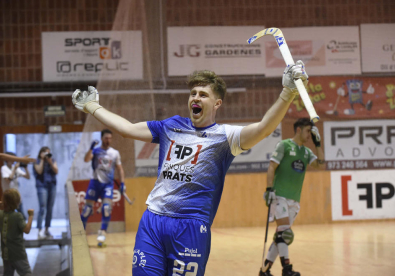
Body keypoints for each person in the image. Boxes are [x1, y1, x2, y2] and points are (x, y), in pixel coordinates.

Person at [72, 61, 309, 275]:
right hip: (153, 221)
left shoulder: (225, 137)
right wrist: (92, 107)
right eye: (193, 93)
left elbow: (263, 129)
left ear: (217, 103)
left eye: (203, 94)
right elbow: (127, 129)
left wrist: (288, 92)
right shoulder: (170, 126)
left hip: (191, 227)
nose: (195, 97)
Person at [259, 118, 325, 276]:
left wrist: (318, 145)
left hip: (294, 199)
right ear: (298, 130)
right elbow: (271, 166)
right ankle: (287, 269)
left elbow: (321, 165)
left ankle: (265, 270)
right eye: (308, 131)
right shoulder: (284, 145)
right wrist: (269, 189)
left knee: (281, 236)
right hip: (279, 195)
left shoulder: (306, 152)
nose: (310, 134)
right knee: (284, 233)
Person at [81, 129, 125, 247]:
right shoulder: (96, 151)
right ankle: (80, 235)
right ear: (101, 138)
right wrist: (91, 148)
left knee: (106, 208)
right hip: (95, 182)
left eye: (110, 138)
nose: (108, 140)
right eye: (106, 138)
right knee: (86, 211)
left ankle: (102, 233)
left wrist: (122, 183)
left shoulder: (115, 153)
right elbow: (86, 159)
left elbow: (120, 169)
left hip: (107, 185)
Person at [0, 189, 34, 276]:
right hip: (18, 254)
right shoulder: (17, 216)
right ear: (16, 202)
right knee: (26, 273)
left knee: (8, 273)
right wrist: (31, 216)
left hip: (6, 254)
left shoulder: (1, 214)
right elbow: (26, 230)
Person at [33, 147, 58, 239]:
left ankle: (47, 229)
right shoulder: (37, 161)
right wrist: (43, 160)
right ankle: (39, 230)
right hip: (41, 186)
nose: (47, 155)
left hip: (52, 185)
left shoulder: (52, 160)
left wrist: (50, 162)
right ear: (41, 153)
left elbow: (56, 170)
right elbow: (39, 171)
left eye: (49, 153)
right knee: (42, 207)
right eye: (45, 153)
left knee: (50, 208)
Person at [1, 152, 31, 219]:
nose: (14, 161)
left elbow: (28, 177)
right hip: (8, 196)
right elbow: (8, 180)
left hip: (16, 195)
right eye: (12, 158)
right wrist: (14, 169)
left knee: (22, 215)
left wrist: (25, 167)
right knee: (7, 215)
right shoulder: (4, 168)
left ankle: (21, 228)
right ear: (7, 159)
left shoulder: (16, 168)